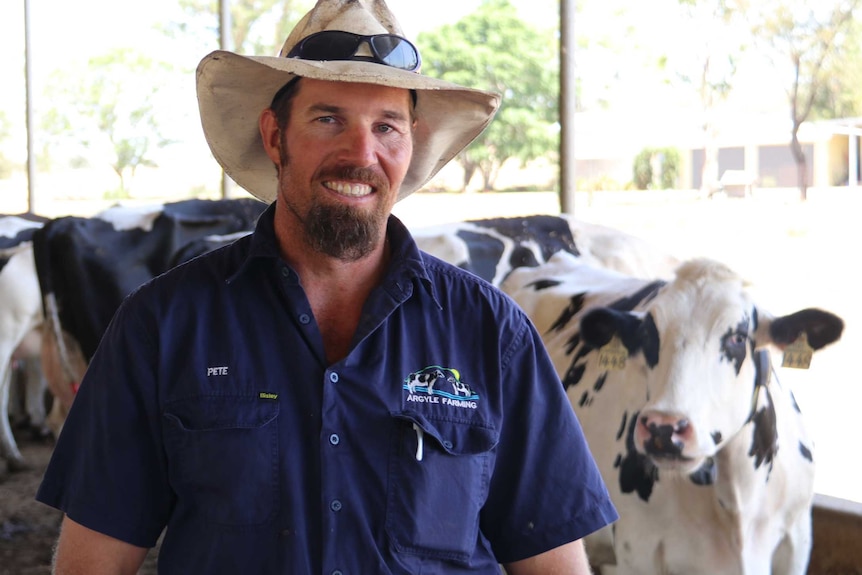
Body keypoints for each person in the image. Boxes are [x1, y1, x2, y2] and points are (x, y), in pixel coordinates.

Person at [36, 0, 618, 572]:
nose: (361, 154)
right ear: (274, 136)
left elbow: (552, 563)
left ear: (410, 143)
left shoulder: (491, 332)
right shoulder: (163, 325)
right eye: (328, 119)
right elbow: (93, 562)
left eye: (386, 126)